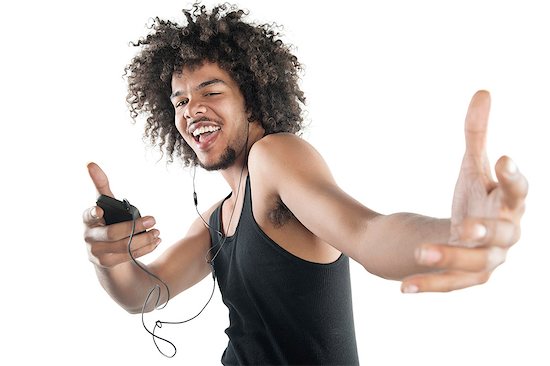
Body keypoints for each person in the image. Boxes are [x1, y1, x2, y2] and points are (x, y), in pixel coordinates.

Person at [82, 3, 528, 365]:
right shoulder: (217, 218)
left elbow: (367, 232)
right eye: (180, 100)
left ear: (252, 98)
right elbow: (143, 293)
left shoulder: (276, 157)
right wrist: (109, 259)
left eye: (211, 91)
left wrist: (454, 234)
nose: (191, 110)